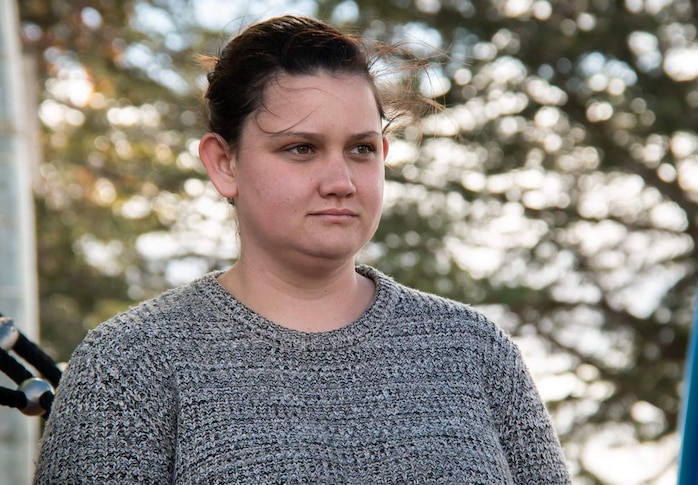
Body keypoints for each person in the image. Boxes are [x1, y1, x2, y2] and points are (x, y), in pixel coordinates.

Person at [34, 14, 570, 484]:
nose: (340, 180)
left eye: (360, 149)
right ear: (224, 163)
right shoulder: (131, 363)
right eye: (301, 148)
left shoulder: (473, 350)